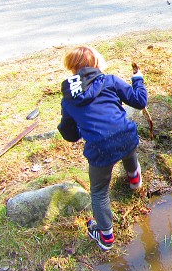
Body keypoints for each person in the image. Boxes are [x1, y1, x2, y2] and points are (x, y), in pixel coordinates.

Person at [57, 46, 148, 251]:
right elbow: (140, 101)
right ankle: (135, 182)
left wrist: (81, 129)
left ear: (73, 69)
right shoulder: (110, 81)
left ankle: (106, 237)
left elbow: (69, 134)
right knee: (127, 147)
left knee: (99, 192)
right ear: (96, 64)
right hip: (126, 135)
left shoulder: (69, 100)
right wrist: (138, 79)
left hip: (100, 147)